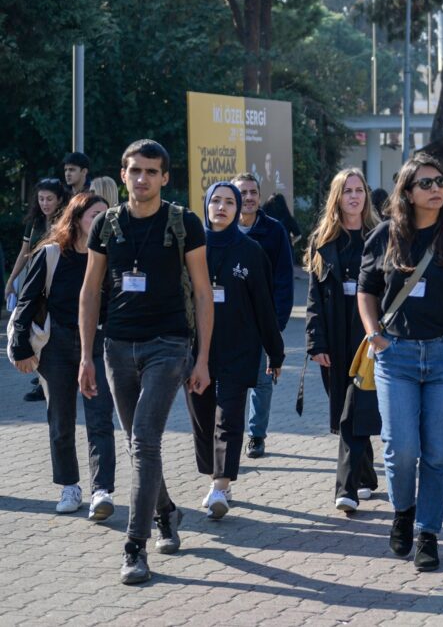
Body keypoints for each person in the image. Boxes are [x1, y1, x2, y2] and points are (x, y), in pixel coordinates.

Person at [80, 139, 214, 585]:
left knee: (144, 439)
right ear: (123, 175)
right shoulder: (106, 226)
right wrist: (86, 356)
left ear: (165, 177)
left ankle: (135, 547)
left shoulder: (185, 223)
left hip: (168, 344)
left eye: (151, 171)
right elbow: (90, 290)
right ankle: (167, 511)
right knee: (139, 444)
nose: (142, 179)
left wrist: (203, 359)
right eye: (135, 170)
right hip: (116, 346)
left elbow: (201, 291)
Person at [358, 153, 443, 571]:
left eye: (440, 182)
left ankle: (428, 533)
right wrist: (374, 336)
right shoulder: (384, 236)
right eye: (426, 183)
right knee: (401, 449)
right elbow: (366, 290)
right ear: (407, 192)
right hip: (395, 356)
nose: (436, 189)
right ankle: (402, 513)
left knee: (437, 454)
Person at [10, 193, 116, 519]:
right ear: (77, 217)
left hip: (97, 347)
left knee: (100, 419)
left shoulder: (110, 257)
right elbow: (26, 302)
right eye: (94, 215)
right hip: (56, 347)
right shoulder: (51, 254)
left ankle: (102, 491)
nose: (101, 221)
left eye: (105, 216)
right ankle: (70, 486)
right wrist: (20, 349)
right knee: (61, 421)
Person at [186, 182, 284, 520]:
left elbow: (264, 307)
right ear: (206, 205)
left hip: (239, 348)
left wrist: (275, 351)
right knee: (202, 419)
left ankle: (220, 482)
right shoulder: (191, 246)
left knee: (228, 417)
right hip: (197, 350)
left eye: (230, 202)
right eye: (216, 201)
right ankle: (216, 478)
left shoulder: (251, 251)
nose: (222, 207)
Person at [305, 168, 382, 514]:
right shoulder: (323, 240)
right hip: (334, 337)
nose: (354, 196)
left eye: (359, 190)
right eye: (347, 190)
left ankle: (346, 487)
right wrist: (314, 342)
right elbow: (313, 297)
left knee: (353, 410)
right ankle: (366, 475)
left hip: (368, 337)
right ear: (337, 197)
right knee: (346, 409)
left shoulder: (380, 237)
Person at [233, 172, 294, 459]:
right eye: (242, 192)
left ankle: (256, 436)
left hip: (263, 320)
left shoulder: (274, 230)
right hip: (228, 321)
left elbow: (284, 279)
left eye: (252, 192)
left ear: (259, 196)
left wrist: (278, 324)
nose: (248, 198)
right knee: (229, 382)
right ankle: (228, 435)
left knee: (262, 380)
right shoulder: (219, 229)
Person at [6, 178, 69, 403]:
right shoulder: (35, 222)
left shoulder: (67, 222)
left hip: (55, 285)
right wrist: (11, 280)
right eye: (41, 198)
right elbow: (24, 253)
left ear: (60, 199)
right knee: (34, 330)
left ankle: (47, 382)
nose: (45, 203)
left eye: (49, 199)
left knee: (48, 331)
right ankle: (42, 379)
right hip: (33, 283)